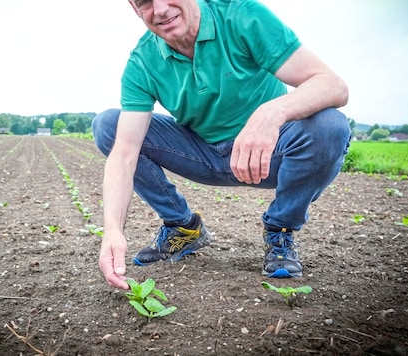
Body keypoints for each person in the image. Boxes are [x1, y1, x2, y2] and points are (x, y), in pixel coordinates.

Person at [92, 0, 351, 290]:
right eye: (145, 2)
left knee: (330, 127)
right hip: (201, 154)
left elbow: (333, 85)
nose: (161, 9)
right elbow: (124, 154)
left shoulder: (241, 15)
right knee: (108, 126)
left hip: (268, 154)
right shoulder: (143, 61)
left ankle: (281, 229)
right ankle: (182, 227)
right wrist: (112, 231)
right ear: (133, 7)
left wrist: (272, 113)